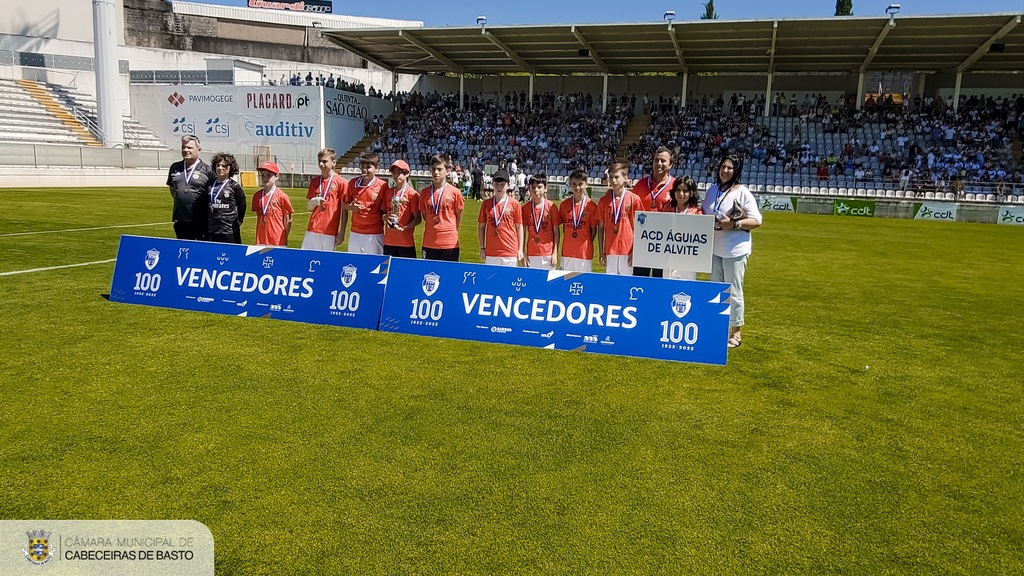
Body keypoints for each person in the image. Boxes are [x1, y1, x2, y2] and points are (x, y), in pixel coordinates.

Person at [701, 154, 762, 349]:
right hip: (714, 248)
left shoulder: (742, 192)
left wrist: (734, 224)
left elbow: (757, 220)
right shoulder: (712, 190)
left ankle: (736, 333)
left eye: (729, 168)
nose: (725, 171)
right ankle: (717, 330)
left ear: (736, 171)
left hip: (735, 249)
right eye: (723, 167)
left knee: (734, 292)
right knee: (716, 291)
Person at [632, 146, 676, 277]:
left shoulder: (676, 186)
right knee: (639, 280)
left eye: (663, 161)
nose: (659, 164)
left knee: (660, 282)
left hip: (665, 243)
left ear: (671, 165)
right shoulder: (640, 185)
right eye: (656, 160)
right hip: (642, 241)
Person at [597, 163, 642, 276]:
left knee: (626, 286)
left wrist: (636, 251)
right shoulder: (603, 201)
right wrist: (601, 252)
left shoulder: (634, 199)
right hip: (610, 250)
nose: (613, 180)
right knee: (611, 285)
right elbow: (601, 228)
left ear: (625, 177)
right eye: (611, 177)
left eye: (616, 177)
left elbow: (641, 228)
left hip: (628, 250)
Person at [167, 135, 215, 240]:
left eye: (189, 147)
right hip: (181, 219)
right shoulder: (175, 167)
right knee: (184, 251)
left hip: (201, 221)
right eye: (183, 147)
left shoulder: (207, 170)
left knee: (201, 251)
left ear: (199, 150)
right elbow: (173, 189)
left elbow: (214, 193)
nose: (185, 150)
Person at [419, 154, 464, 261]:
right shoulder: (424, 193)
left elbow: (458, 216)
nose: (436, 173)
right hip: (429, 241)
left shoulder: (455, 192)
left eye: (439, 169)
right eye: (433, 169)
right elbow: (425, 216)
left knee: (449, 276)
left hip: (449, 243)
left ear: (447, 171)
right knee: (428, 275)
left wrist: (448, 228)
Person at [340, 152, 387, 254]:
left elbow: (385, 211)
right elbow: (344, 205)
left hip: (374, 234)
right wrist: (351, 207)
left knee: (374, 266)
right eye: (363, 167)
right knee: (355, 265)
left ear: (376, 168)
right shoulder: (352, 183)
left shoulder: (383, 186)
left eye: (368, 167)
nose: (365, 170)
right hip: (355, 233)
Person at [302, 148, 347, 251]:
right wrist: (315, 201)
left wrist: (342, 232)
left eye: (325, 161)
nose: (321, 164)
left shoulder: (341, 182)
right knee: (306, 260)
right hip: (312, 228)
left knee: (326, 263)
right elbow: (309, 207)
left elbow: (344, 210)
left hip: (329, 230)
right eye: (319, 161)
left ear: (334, 162)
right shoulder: (315, 181)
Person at [476, 169, 523, 266]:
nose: (499, 187)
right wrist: (482, 248)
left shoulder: (515, 204)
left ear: (508, 185)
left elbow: (519, 227)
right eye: (497, 184)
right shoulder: (486, 204)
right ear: (492, 184)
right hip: (491, 252)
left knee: (509, 280)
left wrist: (520, 249)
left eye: (502, 184)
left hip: (510, 251)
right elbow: (481, 227)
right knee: (491, 281)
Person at [558, 169, 599, 272]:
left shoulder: (592, 206)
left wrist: (586, 243)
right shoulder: (564, 205)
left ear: (586, 184)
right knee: (566, 281)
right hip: (567, 251)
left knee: (582, 283)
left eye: (580, 184)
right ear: (570, 184)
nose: (577, 187)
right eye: (574, 184)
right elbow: (564, 228)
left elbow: (593, 230)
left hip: (584, 253)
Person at [662, 175, 702, 280]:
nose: (681, 194)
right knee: (667, 288)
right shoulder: (666, 211)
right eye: (678, 190)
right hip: (668, 258)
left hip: (688, 261)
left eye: (685, 191)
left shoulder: (697, 213)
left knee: (686, 291)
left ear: (691, 193)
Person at [382, 159, 421, 258]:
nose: (396, 175)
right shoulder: (388, 192)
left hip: (405, 242)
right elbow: (382, 214)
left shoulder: (412, 194)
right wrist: (386, 217)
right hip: (389, 241)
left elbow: (418, 218)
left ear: (407, 174)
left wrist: (405, 228)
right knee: (389, 271)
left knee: (406, 272)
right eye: (393, 172)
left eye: (399, 172)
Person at [521, 173, 560, 269]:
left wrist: (555, 253)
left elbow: (556, 232)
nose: (536, 190)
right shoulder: (525, 208)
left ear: (545, 188)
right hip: (531, 253)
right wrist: (523, 253)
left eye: (539, 187)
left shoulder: (551, 207)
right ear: (529, 188)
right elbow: (522, 232)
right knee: (532, 283)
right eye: (533, 187)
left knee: (548, 283)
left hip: (548, 253)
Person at [206, 152, 246, 244]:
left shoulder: (234, 186)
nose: (220, 168)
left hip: (229, 231)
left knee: (232, 256)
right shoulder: (209, 185)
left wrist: (240, 220)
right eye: (218, 165)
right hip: (212, 230)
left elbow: (242, 205)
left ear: (230, 168)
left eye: (224, 166)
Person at [252, 161, 293, 247]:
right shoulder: (257, 196)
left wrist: (284, 238)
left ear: (276, 176)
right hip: (260, 240)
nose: (265, 178)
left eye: (268, 175)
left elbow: (288, 220)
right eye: (263, 175)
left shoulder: (282, 196)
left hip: (277, 241)